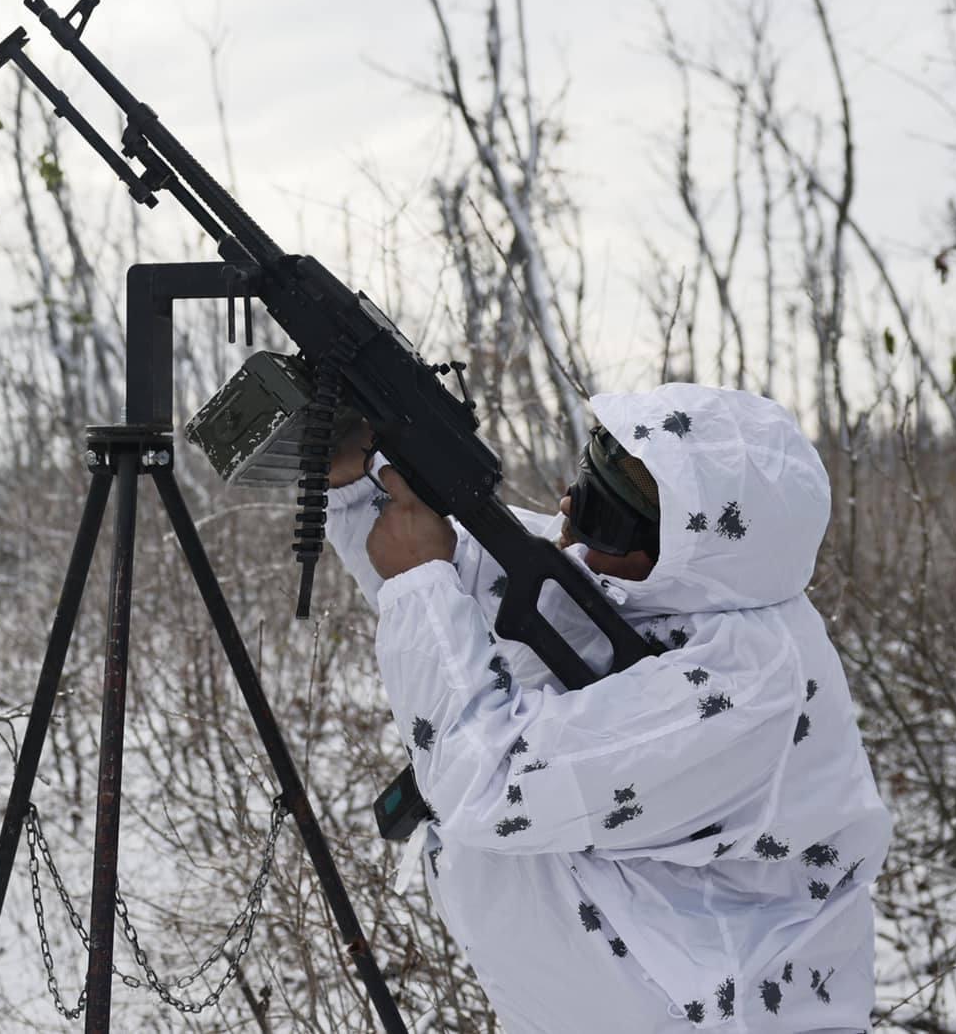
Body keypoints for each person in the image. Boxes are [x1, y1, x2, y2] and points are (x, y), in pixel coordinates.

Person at [324, 383, 892, 1033]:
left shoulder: (745, 686)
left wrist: (417, 583)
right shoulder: (650, 589)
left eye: (606, 511)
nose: (569, 508)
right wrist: (358, 477)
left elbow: (488, 783)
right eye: (591, 470)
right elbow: (462, 570)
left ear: (689, 547)